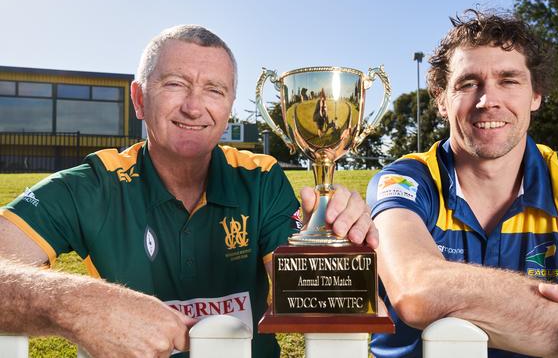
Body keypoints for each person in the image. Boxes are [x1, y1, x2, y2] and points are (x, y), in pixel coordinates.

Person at [0, 24, 377, 358]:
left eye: (214, 90)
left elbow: (310, 304)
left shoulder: (260, 178)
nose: (194, 107)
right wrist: (78, 306)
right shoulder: (93, 184)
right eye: (175, 84)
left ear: (229, 107)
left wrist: (335, 248)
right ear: (139, 99)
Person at [366, 10, 558, 358]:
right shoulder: (406, 180)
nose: (488, 101)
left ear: (536, 95)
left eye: (509, 80)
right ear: (441, 99)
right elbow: (418, 290)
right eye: (469, 83)